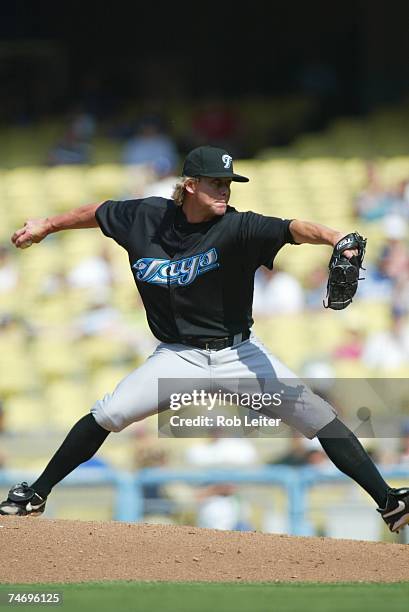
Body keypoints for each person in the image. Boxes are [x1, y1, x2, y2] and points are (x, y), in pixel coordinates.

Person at [1, 145, 408, 534]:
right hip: (178, 358)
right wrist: (47, 225)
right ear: (190, 184)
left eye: (229, 183)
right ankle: (36, 494)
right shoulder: (146, 216)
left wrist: (337, 237)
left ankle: (390, 502)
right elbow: (98, 212)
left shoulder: (238, 225)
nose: (225, 190)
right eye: (216, 182)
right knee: (109, 413)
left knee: (320, 419)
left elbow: (293, 229)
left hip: (239, 355)